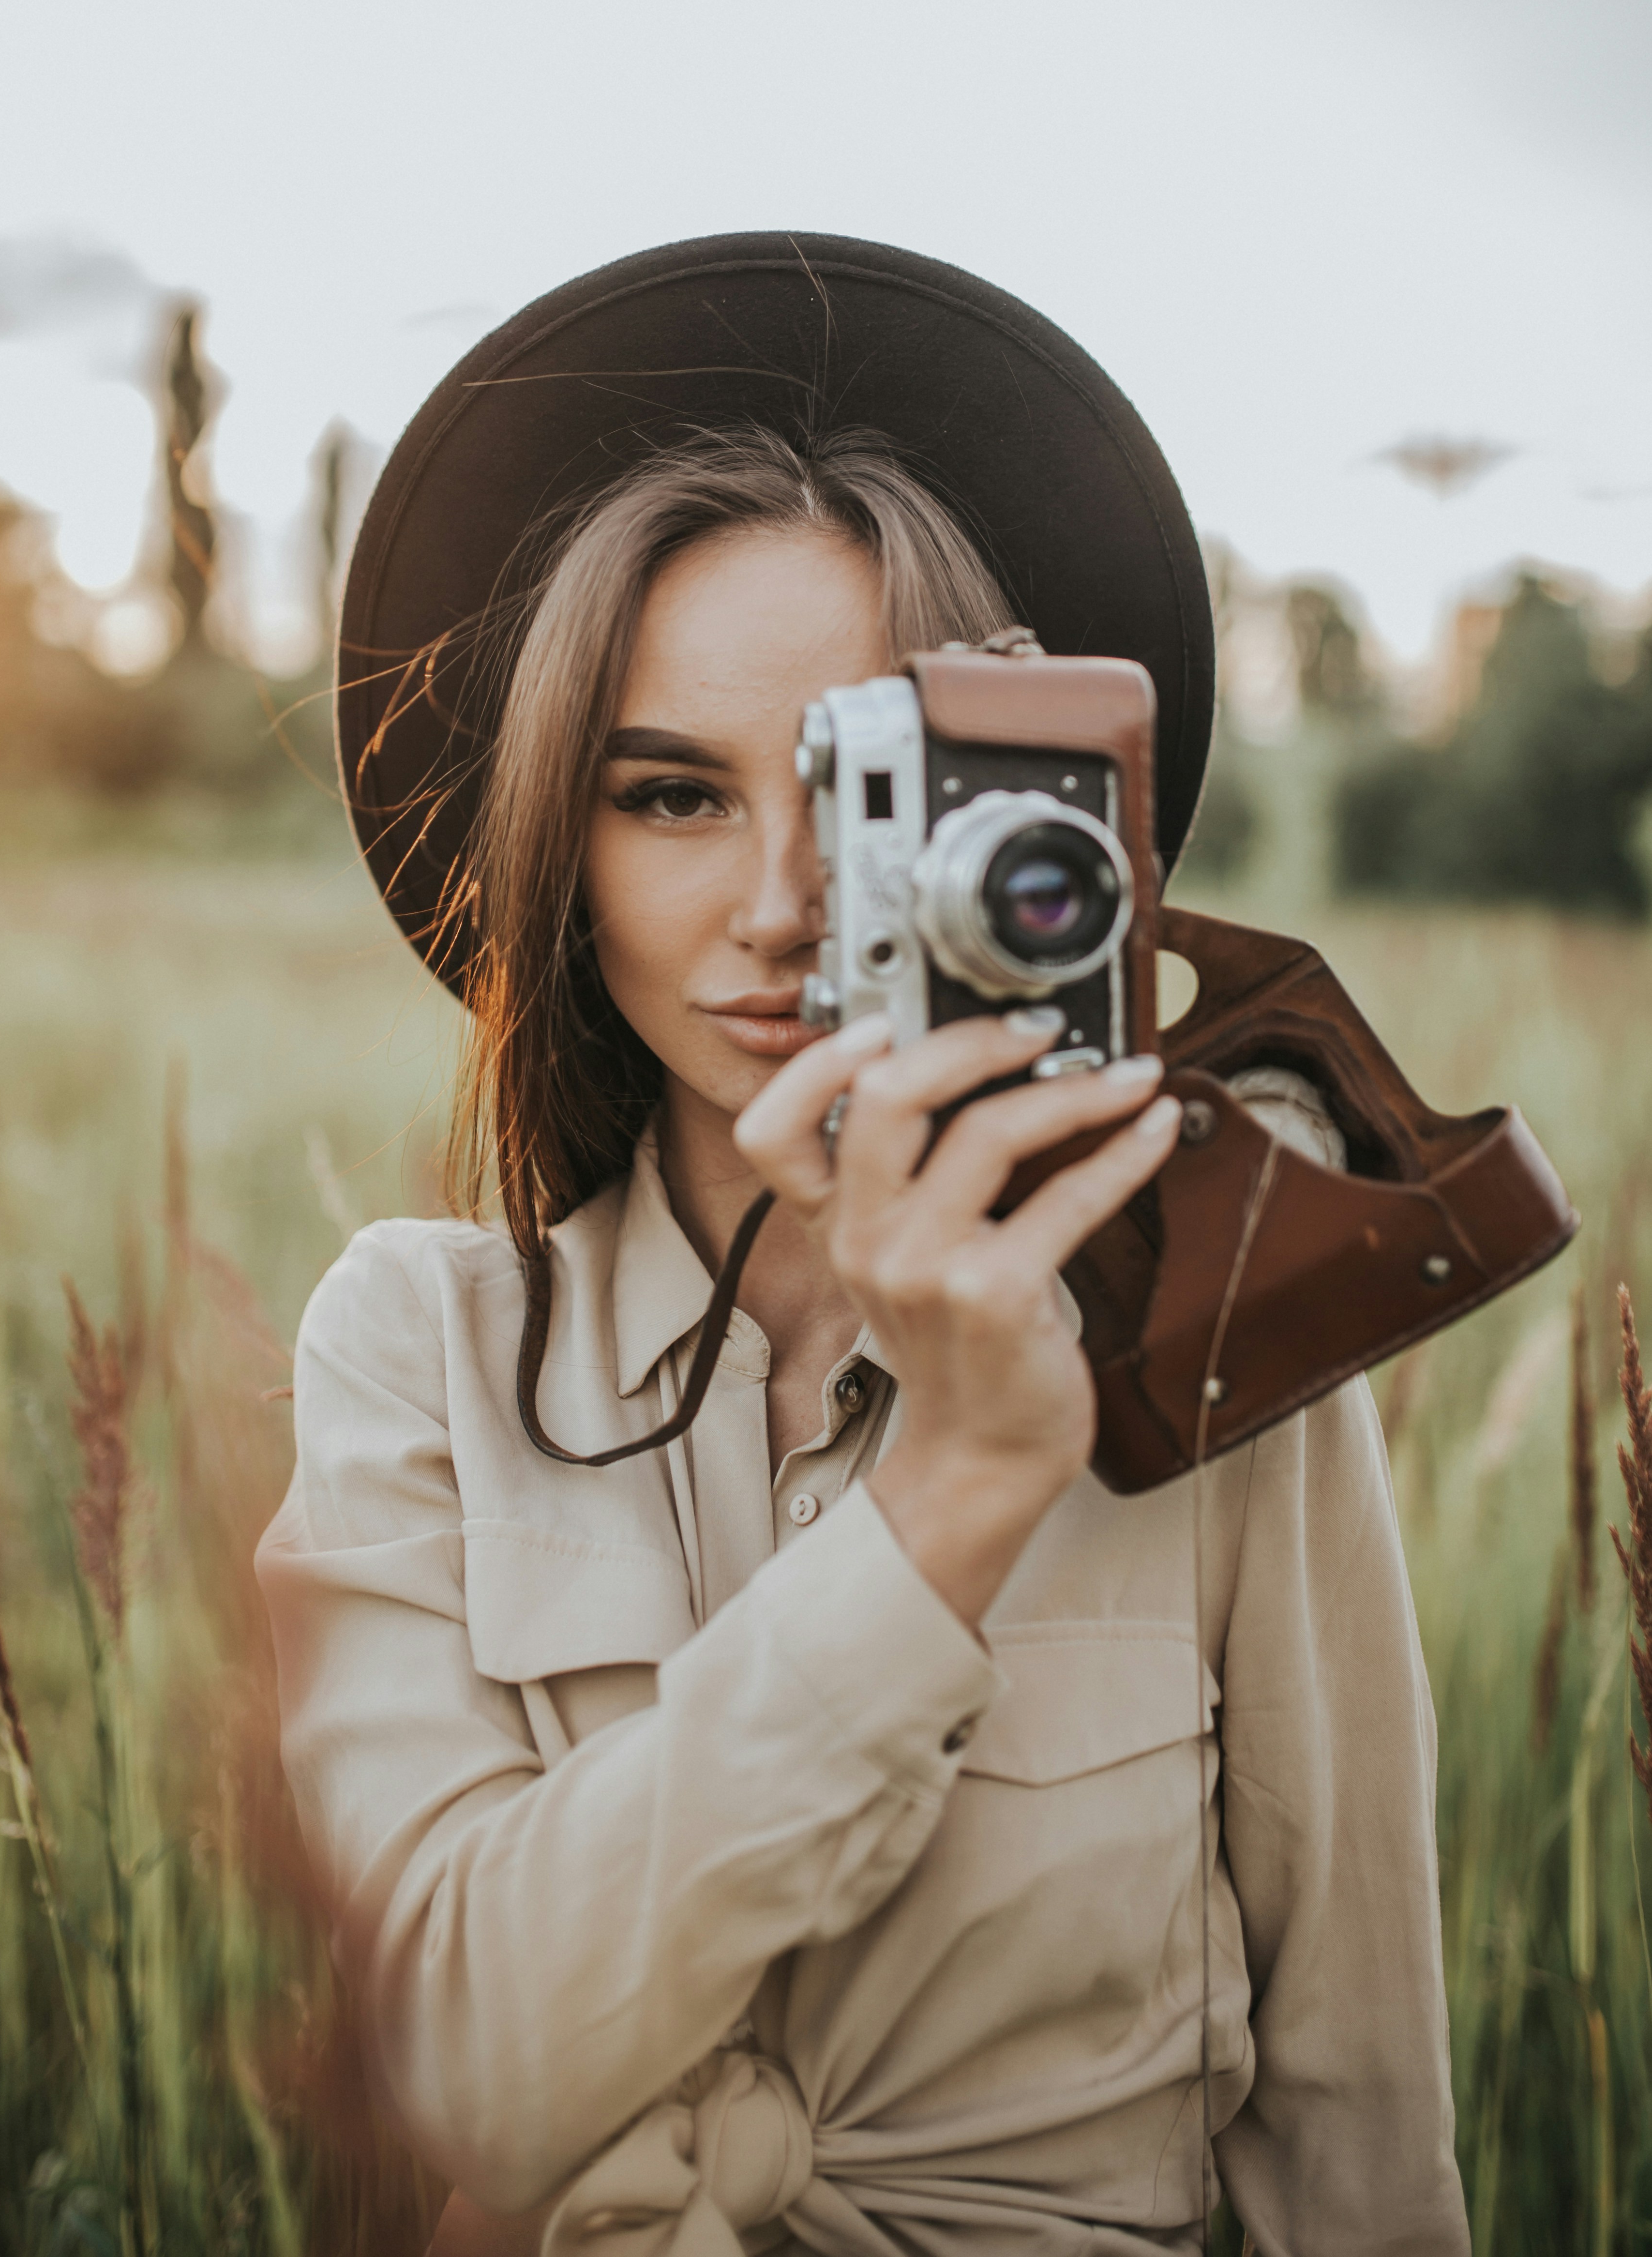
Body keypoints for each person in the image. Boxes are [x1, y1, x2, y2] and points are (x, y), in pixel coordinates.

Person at [256, 235, 1469, 2257]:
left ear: (1025, 822)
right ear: (564, 839)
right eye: (670, 796)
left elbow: (1362, 2126)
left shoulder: (1207, 1338)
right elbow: (462, 2058)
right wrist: (954, 1495)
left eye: (865, 792)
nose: (778, 903)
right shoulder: (422, 1348)